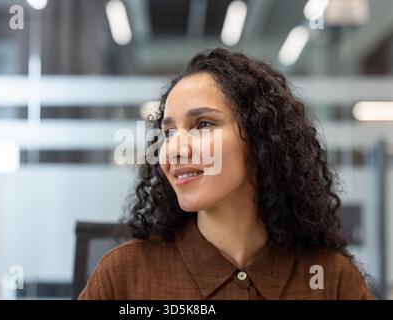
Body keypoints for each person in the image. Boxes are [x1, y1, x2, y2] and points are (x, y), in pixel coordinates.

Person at [78, 47, 375, 300]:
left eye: (203, 124)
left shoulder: (331, 279)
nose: (173, 149)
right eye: (168, 132)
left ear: (261, 140)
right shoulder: (124, 276)